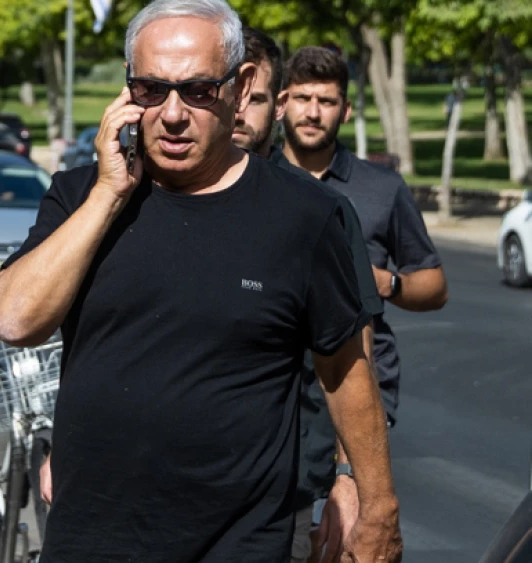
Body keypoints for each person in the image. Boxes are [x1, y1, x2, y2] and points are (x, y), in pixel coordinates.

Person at [0, 0, 403, 560]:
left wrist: (372, 501)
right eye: (151, 90)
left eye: (198, 91)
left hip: (234, 543)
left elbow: (345, 367)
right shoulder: (79, 196)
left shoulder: (305, 216)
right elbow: (15, 320)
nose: (173, 112)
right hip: (93, 538)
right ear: (127, 94)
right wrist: (110, 194)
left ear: (240, 87)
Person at [278, 46, 448, 561]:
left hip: (354, 381)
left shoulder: (380, 189)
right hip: (276, 385)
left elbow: (434, 286)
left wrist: (385, 283)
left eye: (326, 101)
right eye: (303, 98)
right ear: (283, 102)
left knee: (346, 537)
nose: (313, 112)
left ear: (345, 110)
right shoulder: (255, 180)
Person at [232, 27, 386, 563]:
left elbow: (354, 357)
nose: (235, 111)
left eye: (252, 98)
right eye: (224, 91)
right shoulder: (146, 200)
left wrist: (351, 481)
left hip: (285, 490)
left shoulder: (317, 211)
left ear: (275, 106)